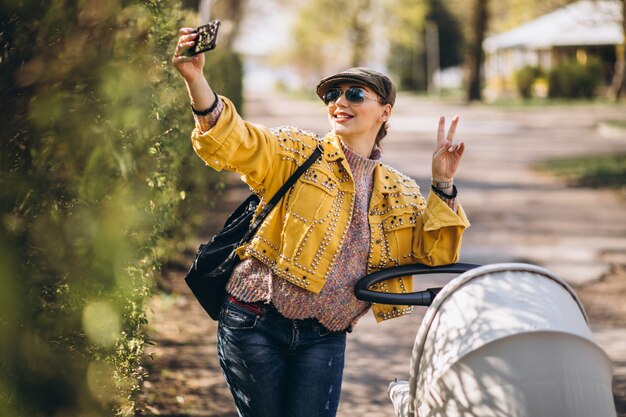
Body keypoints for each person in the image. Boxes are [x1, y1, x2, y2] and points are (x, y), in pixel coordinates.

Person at [173, 27, 469, 417]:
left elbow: (435, 253)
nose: (339, 102)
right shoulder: (297, 151)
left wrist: (443, 183)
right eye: (332, 95)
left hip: (325, 336)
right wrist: (197, 81)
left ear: (385, 112)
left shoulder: (399, 190)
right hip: (254, 322)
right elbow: (236, 141)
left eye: (355, 94)